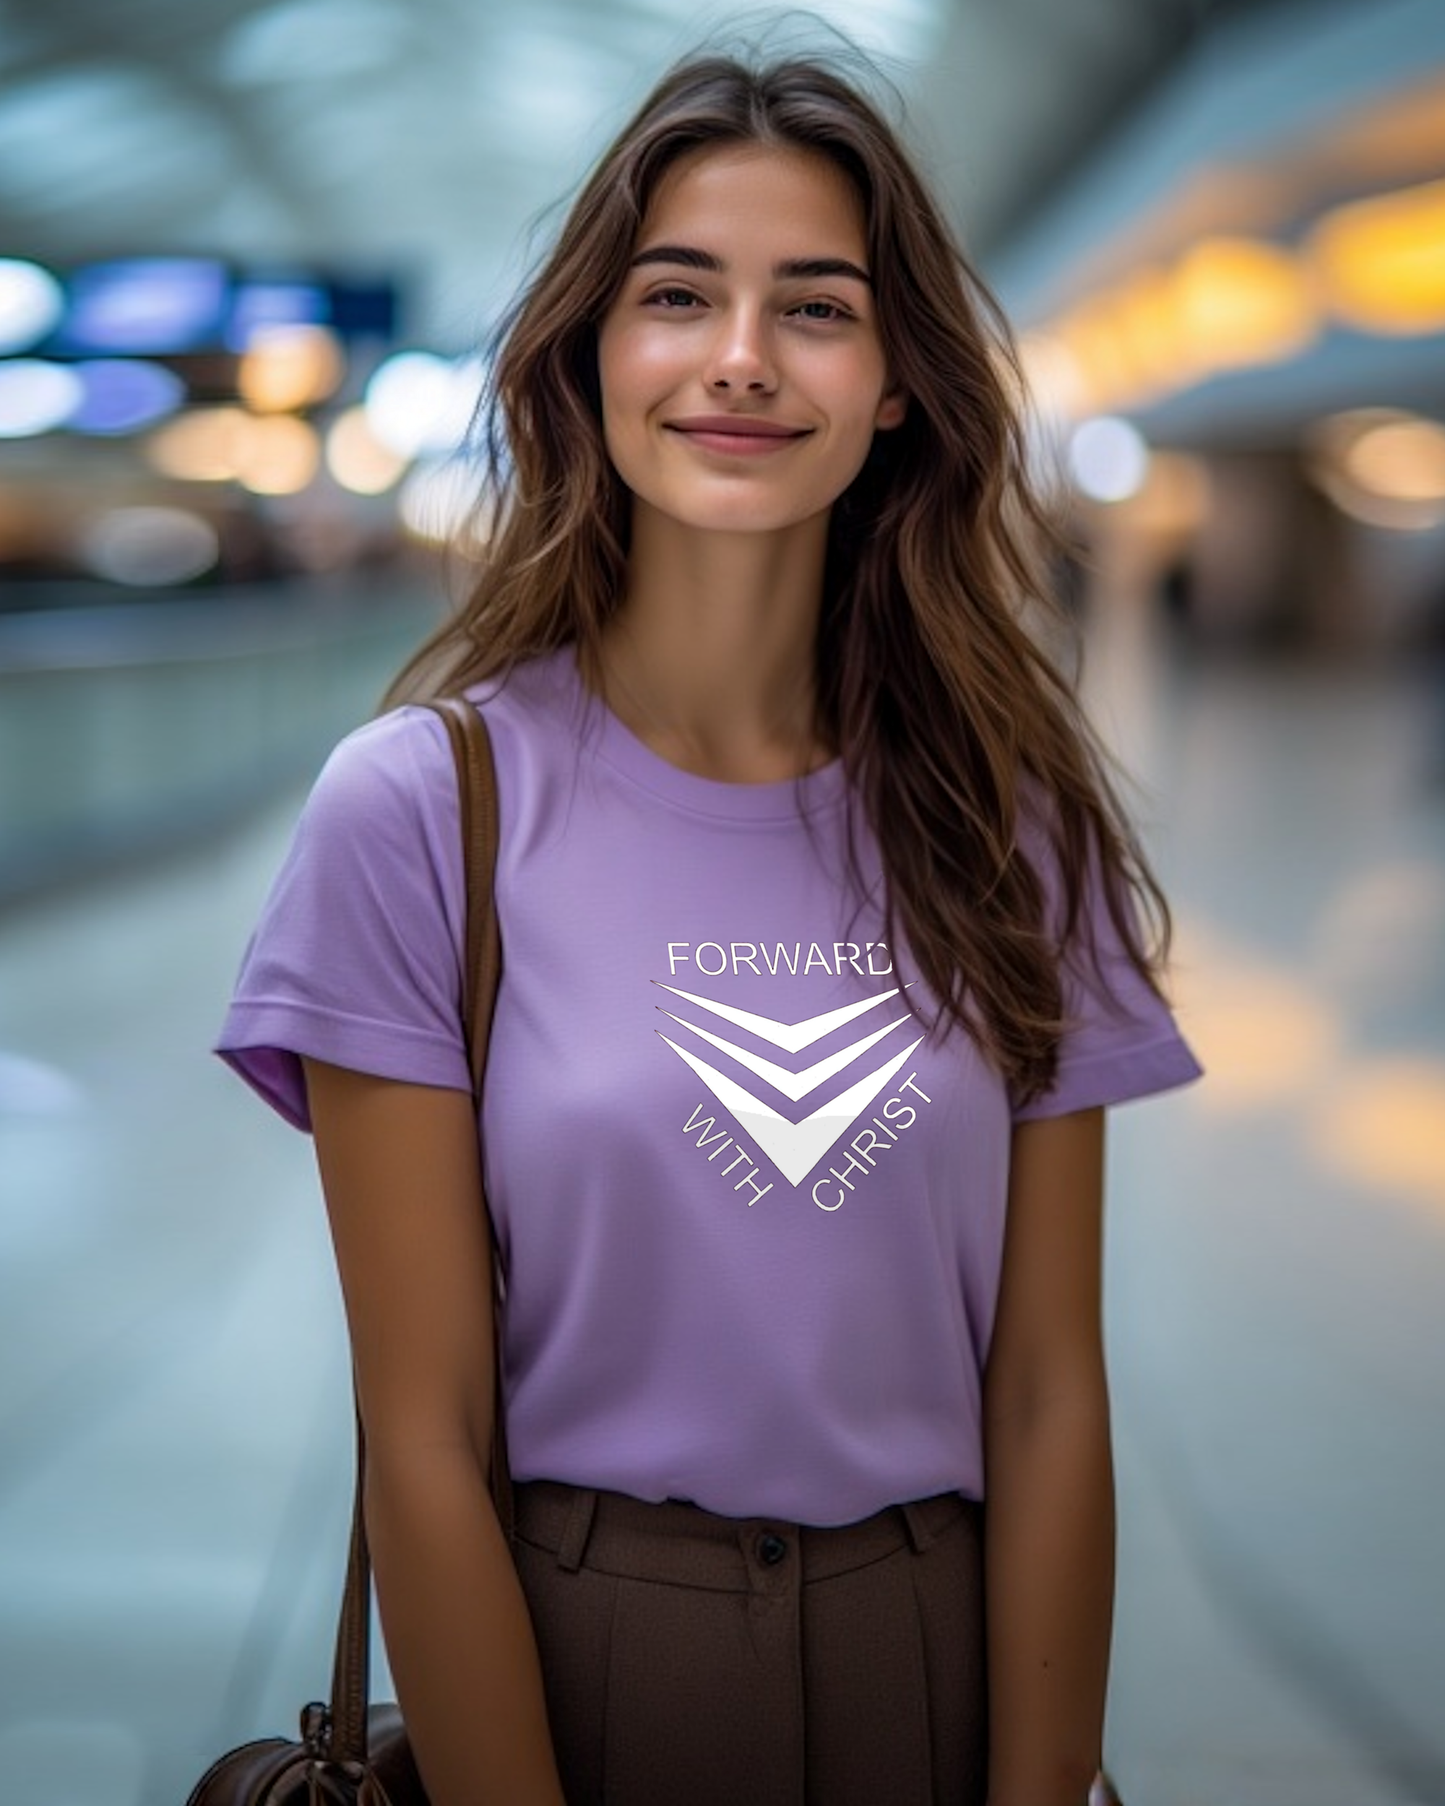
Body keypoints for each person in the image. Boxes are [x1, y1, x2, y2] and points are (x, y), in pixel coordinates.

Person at [217, 42, 1201, 1806]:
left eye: (816, 307)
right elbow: (423, 1435)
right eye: (678, 295)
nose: (742, 356)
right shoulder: (422, 809)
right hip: (577, 1664)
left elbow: (1052, 1388)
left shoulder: (1010, 818)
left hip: (936, 1660)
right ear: (590, 358)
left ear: (895, 387)